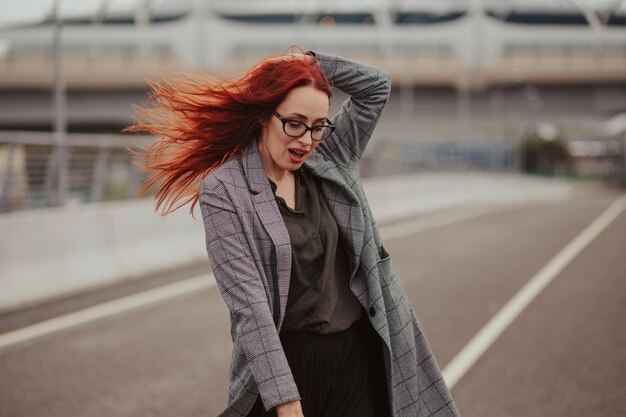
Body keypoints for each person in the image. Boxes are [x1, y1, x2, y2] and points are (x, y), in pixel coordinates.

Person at [127, 48, 460, 417]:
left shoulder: (331, 159)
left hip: (356, 356)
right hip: (284, 365)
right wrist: (286, 401)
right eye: (295, 123)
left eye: (318, 126)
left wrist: (312, 61)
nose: (306, 139)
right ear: (263, 118)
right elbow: (250, 308)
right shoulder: (225, 190)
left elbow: (376, 87)